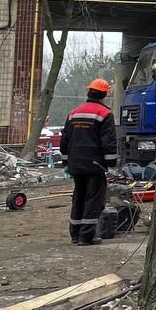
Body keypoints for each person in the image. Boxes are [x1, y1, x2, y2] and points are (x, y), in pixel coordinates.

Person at [60, 78, 117, 245]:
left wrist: (66, 162)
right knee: (93, 199)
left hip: (76, 164)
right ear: (105, 94)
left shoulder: (73, 113)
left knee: (78, 197)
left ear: (89, 92)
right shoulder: (105, 114)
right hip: (95, 165)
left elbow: (64, 141)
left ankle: (75, 235)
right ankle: (87, 237)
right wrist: (111, 165)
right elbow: (109, 142)